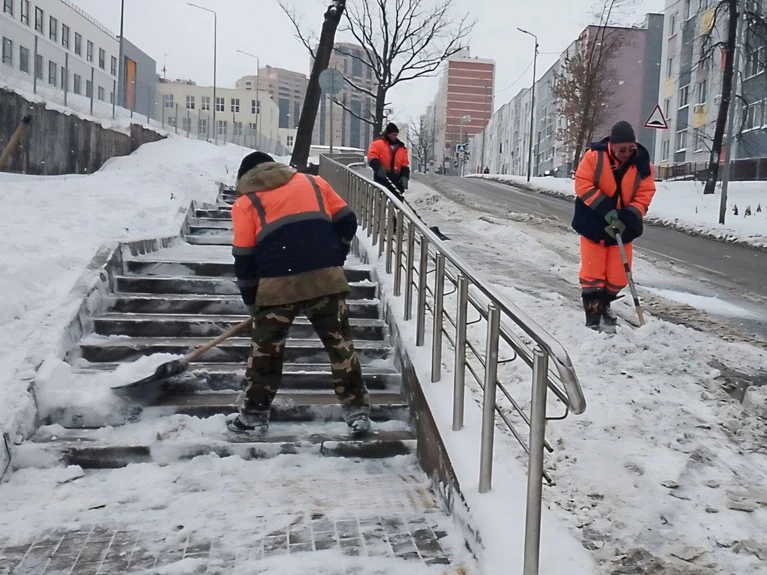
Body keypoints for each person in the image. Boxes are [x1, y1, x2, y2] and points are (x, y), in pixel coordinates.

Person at [228, 151, 371, 435]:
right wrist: (336, 255)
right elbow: (347, 220)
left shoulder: (246, 203)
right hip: (325, 280)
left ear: (245, 178)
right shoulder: (314, 182)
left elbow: (244, 258)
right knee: (340, 347)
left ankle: (254, 417)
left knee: (266, 353)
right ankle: (357, 412)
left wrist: (251, 301)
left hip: (276, 287)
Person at [572, 121, 657, 332]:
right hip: (593, 222)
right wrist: (605, 208)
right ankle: (593, 317)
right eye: (621, 150)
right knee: (593, 276)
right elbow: (582, 183)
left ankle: (605, 303)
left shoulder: (642, 164)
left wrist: (628, 216)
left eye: (630, 148)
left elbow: (645, 193)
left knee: (618, 277)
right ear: (612, 145)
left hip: (624, 226)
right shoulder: (594, 157)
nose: (626, 153)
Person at [367, 123, 410, 196]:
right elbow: (372, 157)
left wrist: (405, 176)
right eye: (393, 135)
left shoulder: (402, 148)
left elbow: (404, 164)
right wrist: (378, 168)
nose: (395, 137)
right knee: (381, 199)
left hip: (397, 181)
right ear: (388, 134)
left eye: (396, 135)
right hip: (382, 178)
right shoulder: (377, 144)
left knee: (397, 200)